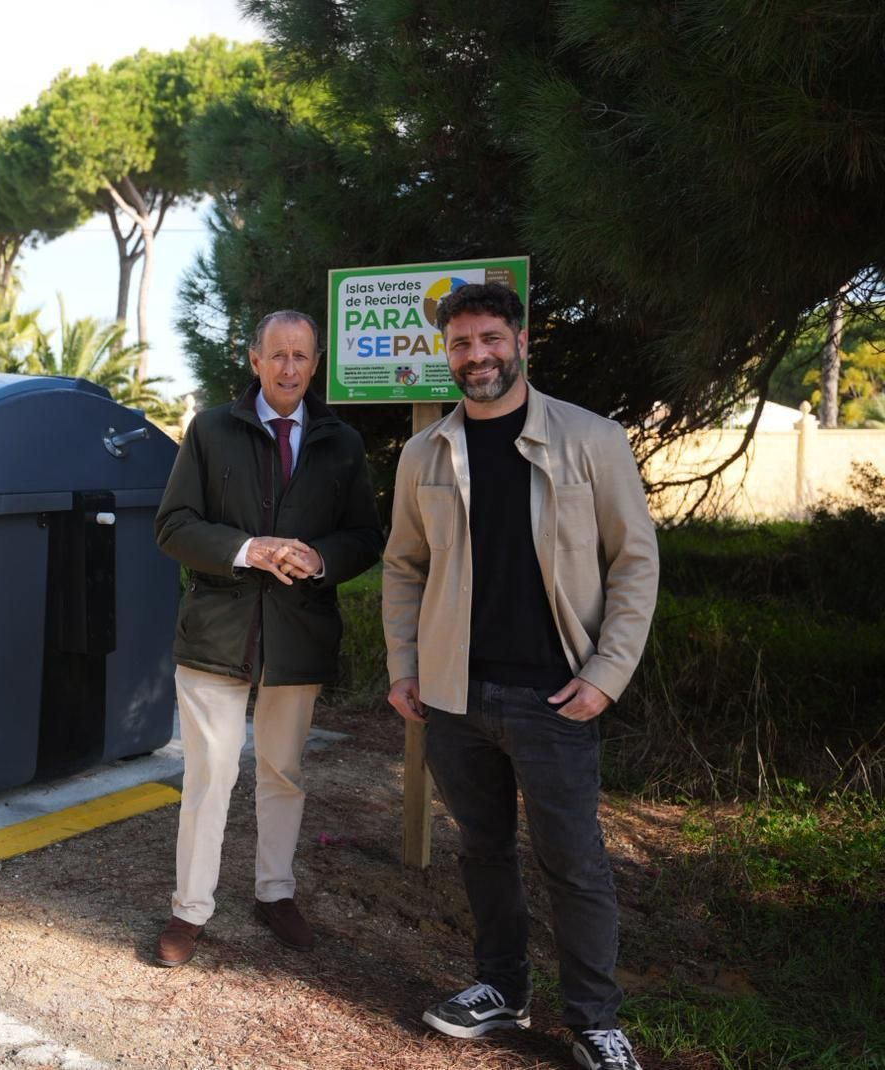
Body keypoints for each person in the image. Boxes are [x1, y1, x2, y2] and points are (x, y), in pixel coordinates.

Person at [382, 283, 659, 1070]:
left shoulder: (592, 439)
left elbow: (636, 563)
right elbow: (403, 568)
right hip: (454, 696)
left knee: (573, 860)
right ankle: (501, 988)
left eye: (490, 339)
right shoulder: (424, 453)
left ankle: (594, 1020)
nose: (477, 356)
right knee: (482, 850)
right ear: (447, 354)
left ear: (520, 341)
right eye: (462, 344)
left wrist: (608, 673)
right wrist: (406, 666)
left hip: (557, 695)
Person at [150, 309, 383, 968]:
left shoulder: (342, 444)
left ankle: (275, 893)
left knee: (284, 772)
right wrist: (250, 548)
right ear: (253, 360)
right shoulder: (210, 431)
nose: (288, 369)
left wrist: (320, 559)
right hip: (216, 635)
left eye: (301, 357)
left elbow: (365, 537)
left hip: (299, 633)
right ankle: (189, 909)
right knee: (211, 775)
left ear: (315, 365)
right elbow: (172, 527)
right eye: (276, 355)